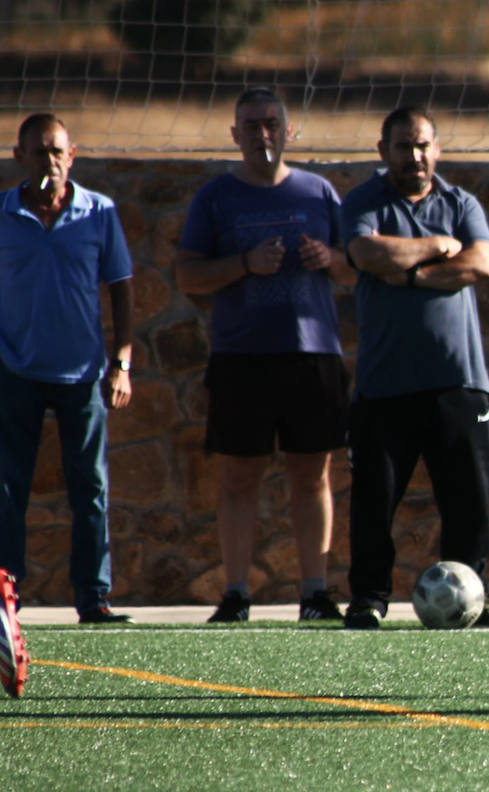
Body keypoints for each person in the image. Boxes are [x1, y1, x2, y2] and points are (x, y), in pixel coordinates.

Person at [176, 88, 354, 623]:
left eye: (272, 123)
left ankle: (315, 593)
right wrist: (245, 264)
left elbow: (355, 266)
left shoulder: (319, 192)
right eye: (251, 126)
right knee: (239, 477)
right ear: (235, 135)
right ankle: (235, 593)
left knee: (312, 474)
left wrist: (330, 257)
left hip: (311, 353)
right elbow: (188, 275)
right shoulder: (215, 199)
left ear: (289, 130)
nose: (263, 135)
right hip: (242, 356)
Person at [340, 106, 489, 630]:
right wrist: (436, 248)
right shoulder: (364, 202)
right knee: (374, 499)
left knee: (469, 501)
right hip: (385, 384)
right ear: (383, 151)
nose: (415, 156)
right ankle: (368, 597)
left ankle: (474, 593)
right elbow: (367, 253)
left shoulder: (461, 202)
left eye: (424, 145)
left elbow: (481, 263)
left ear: (437, 148)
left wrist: (408, 275)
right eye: (404, 146)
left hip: (459, 381)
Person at [0, 113, 136, 623]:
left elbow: (121, 287)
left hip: (82, 375)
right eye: (38, 152)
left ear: (72, 156)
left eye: (57, 152)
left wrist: (122, 362)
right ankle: (5, 596)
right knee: (8, 488)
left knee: (91, 490)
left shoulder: (99, 213)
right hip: (15, 370)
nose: (49, 162)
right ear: (19, 158)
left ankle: (93, 597)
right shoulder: (3, 215)